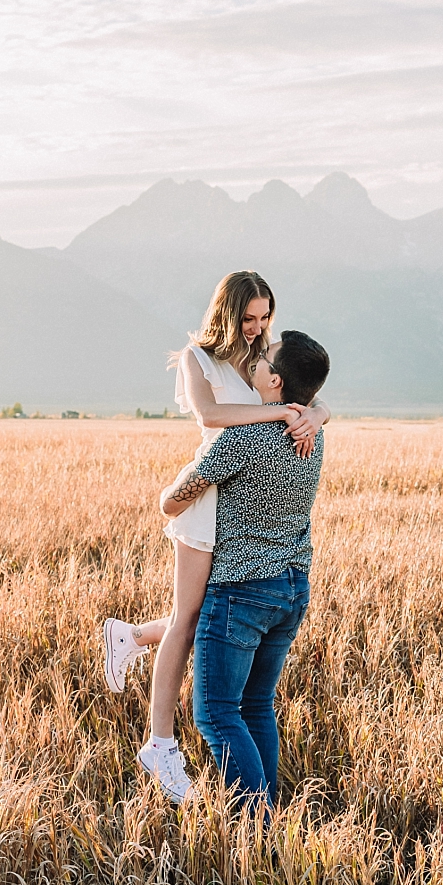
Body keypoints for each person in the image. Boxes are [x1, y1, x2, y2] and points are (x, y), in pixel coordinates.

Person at [100, 271, 330, 802]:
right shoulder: (198, 358)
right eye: (248, 318)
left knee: (209, 621)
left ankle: (131, 637)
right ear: (226, 312)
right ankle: (161, 744)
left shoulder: (265, 358)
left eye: (264, 318)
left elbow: (306, 384)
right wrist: (284, 413)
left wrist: (314, 412)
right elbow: (210, 414)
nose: (257, 328)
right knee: (190, 617)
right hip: (208, 494)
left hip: (238, 489)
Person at [160, 330, 331, 810]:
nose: (254, 360)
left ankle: (254, 827)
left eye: (263, 359)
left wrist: (168, 498)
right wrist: (316, 411)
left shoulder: (247, 438)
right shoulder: (311, 433)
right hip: (292, 588)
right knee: (256, 707)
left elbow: (173, 503)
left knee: (216, 714)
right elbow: (316, 406)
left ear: (274, 381)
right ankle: (268, 824)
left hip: (242, 590)